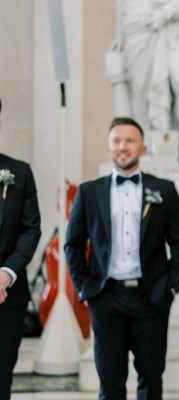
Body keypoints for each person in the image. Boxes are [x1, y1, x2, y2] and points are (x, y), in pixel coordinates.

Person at [65, 117, 179, 400]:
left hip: (152, 297)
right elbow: (72, 245)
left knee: (151, 378)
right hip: (106, 297)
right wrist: (85, 289)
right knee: (110, 382)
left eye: (130, 141)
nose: (123, 147)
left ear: (143, 148)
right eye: (117, 141)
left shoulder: (164, 190)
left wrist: (172, 286)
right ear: (109, 148)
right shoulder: (89, 192)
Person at [115, 0, 179, 163]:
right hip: (138, 21)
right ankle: (139, 147)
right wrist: (118, 34)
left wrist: (166, 13)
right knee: (139, 87)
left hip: (175, 21)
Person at [0, 98, 42, 400]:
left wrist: (5, 275)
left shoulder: (19, 172)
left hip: (7, 296)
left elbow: (31, 229)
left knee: (1, 378)